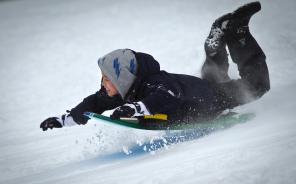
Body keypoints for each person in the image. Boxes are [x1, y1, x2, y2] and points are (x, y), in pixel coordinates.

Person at [40, 1, 270, 131]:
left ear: (124, 77)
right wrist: (64, 120)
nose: (104, 84)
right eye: (103, 78)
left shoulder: (154, 83)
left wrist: (137, 109)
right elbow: (95, 102)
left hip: (213, 99)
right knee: (213, 75)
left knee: (257, 86)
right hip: (200, 90)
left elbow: (167, 95)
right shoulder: (125, 89)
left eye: (108, 78)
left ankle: (237, 32)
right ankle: (216, 41)